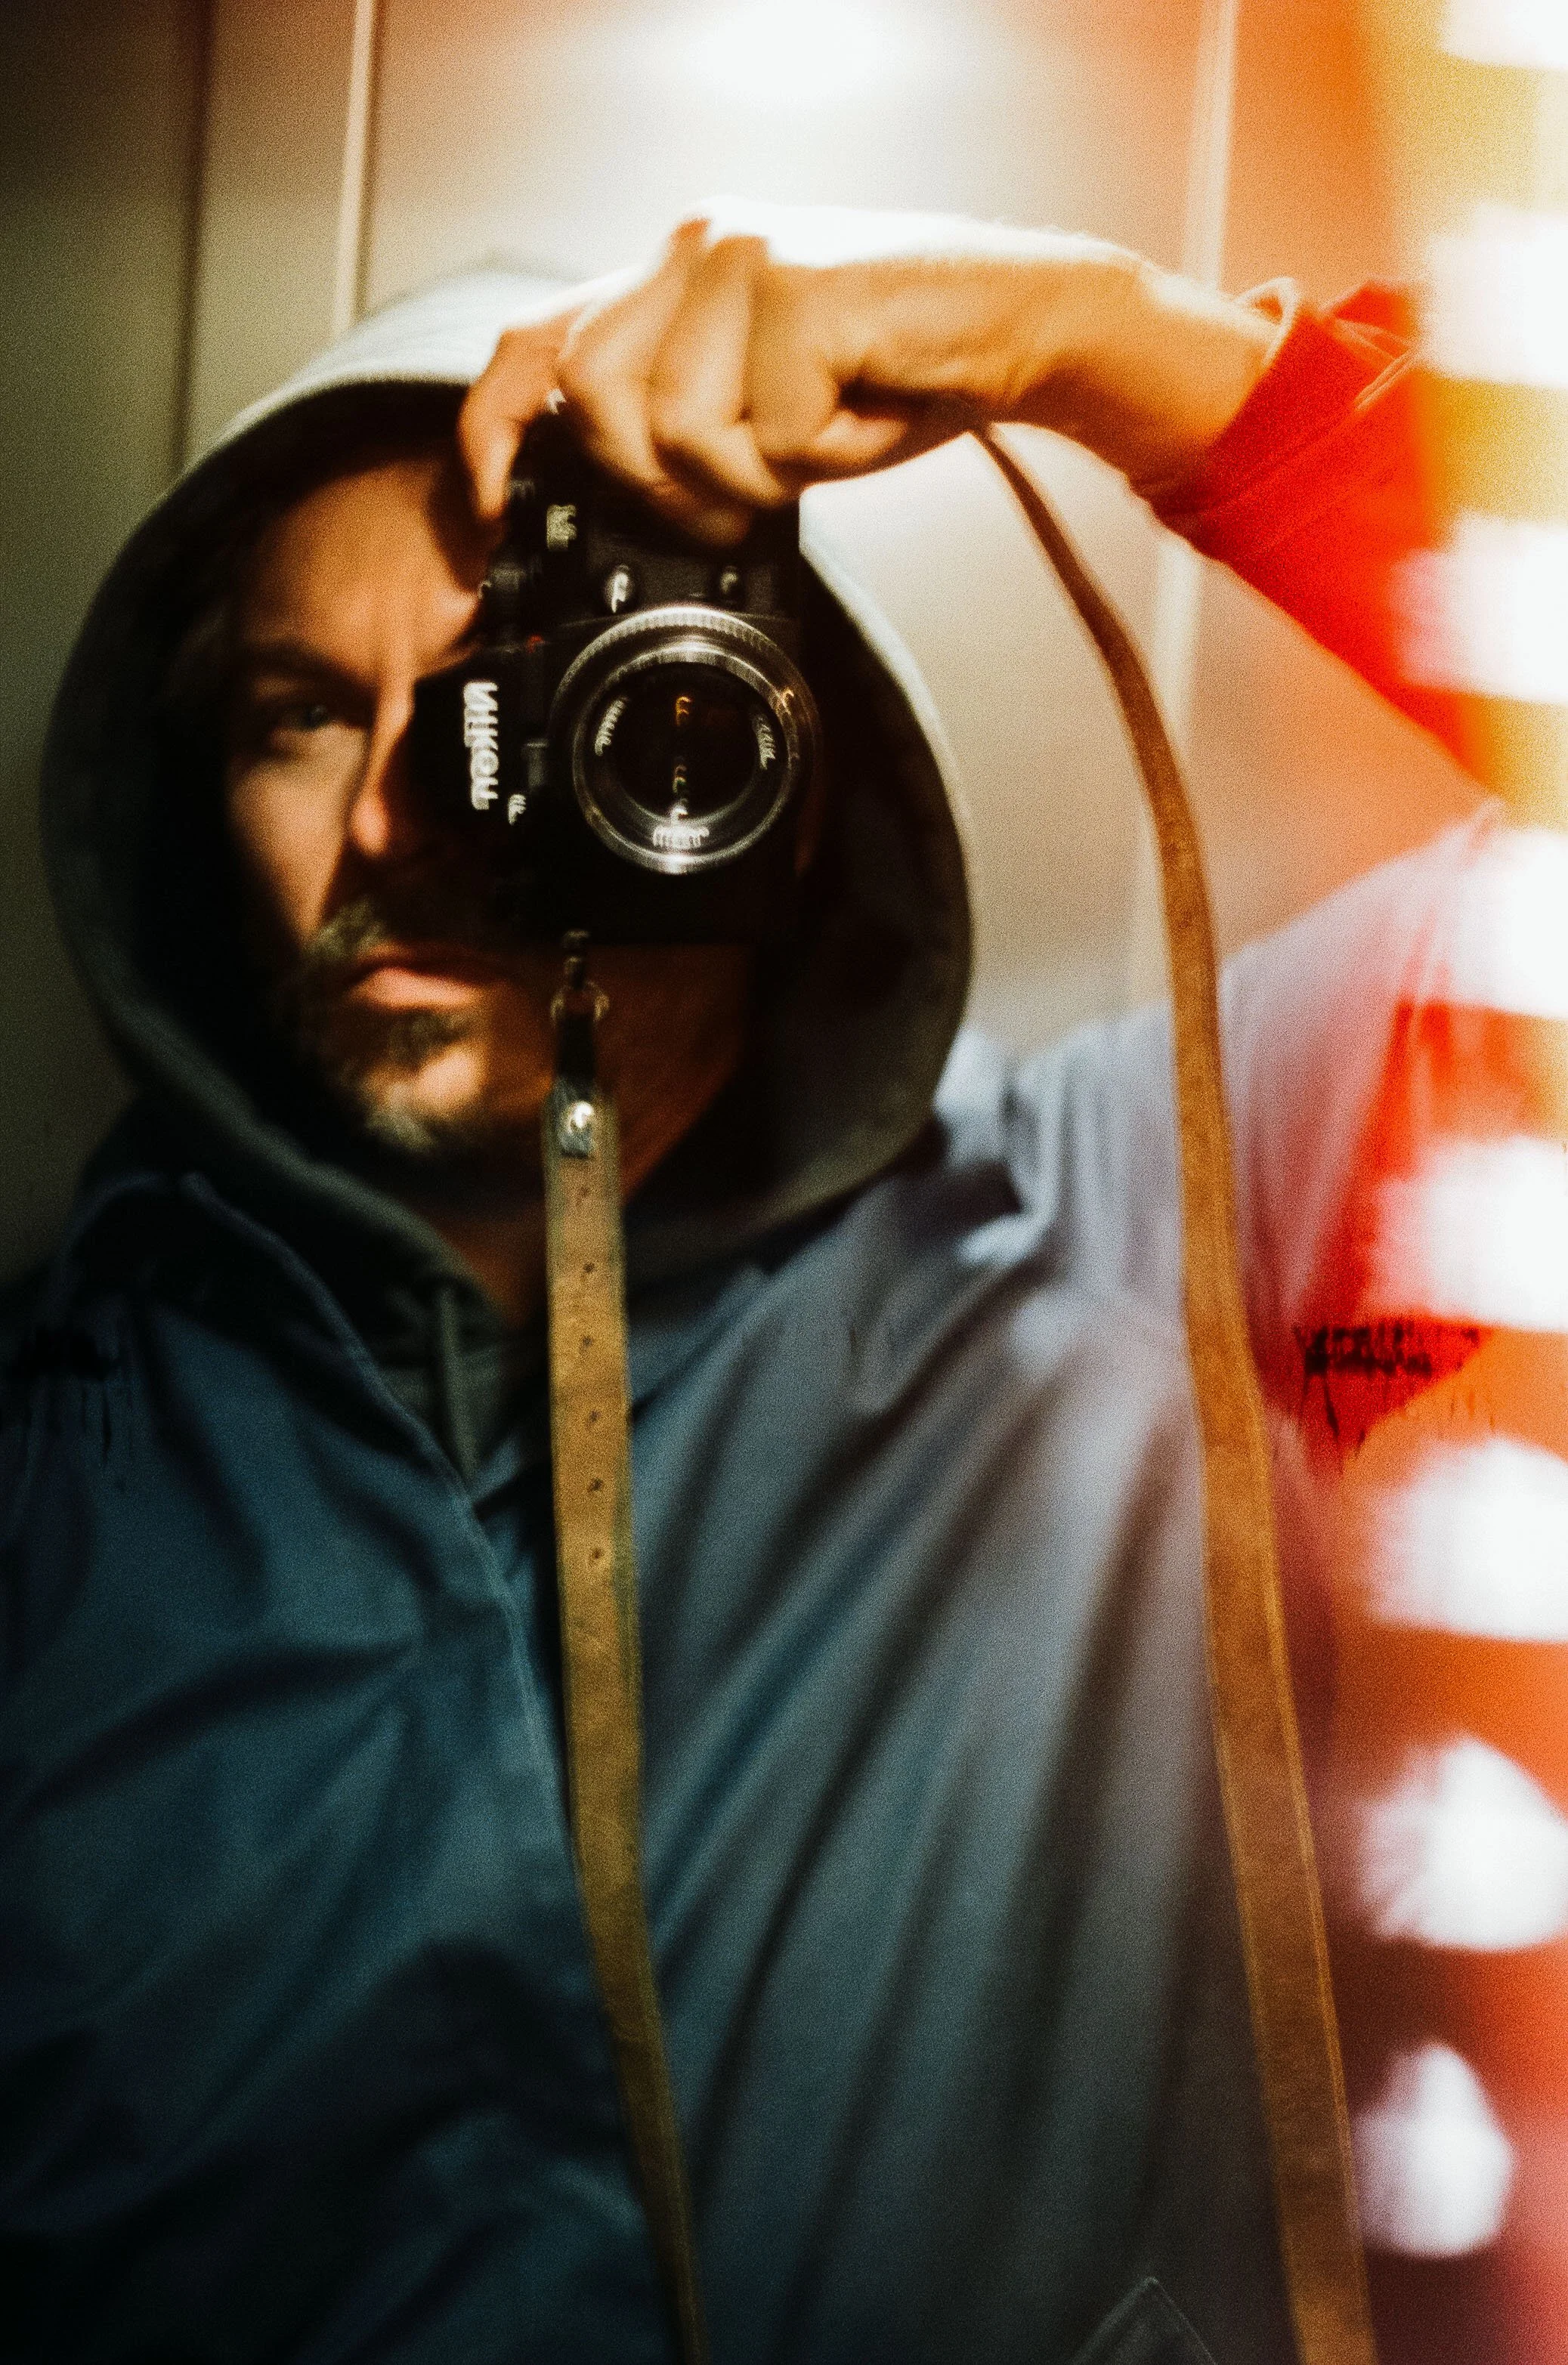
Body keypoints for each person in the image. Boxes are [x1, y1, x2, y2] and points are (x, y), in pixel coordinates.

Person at [2, 209, 1482, 2364]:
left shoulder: (1148, 1232)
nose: (419, 823)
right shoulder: (51, 1485)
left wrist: (1110, 345)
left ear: (783, 781)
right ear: (177, 797)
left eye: (535, 707)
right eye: (300, 715)